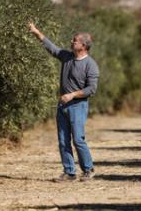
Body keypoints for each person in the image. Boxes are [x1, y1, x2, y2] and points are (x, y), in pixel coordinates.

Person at [28, 22, 99, 182]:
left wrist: (72, 95)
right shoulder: (67, 57)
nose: (71, 42)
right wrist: (35, 32)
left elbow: (91, 89)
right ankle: (69, 172)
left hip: (78, 106)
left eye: (75, 40)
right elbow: (51, 47)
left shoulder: (91, 65)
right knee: (62, 140)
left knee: (78, 139)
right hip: (63, 106)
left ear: (84, 45)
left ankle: (88, 169)